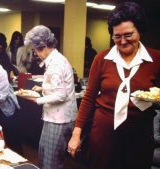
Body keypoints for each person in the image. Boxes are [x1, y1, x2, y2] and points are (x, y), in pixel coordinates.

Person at [67, 2, 160, 169]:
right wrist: (76, 134)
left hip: (138, 137)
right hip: (102, 137)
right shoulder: (102, 59)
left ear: (140, 30)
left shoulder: (156, 59)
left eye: (128, 35)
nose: (123, 41)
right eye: (117, 36)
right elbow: (88, 98)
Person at [23, 25, 77, 169]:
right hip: (54, 117)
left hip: (59, 119)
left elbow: (61, 94)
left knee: (51, 162)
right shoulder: (55, 60)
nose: (35, 53)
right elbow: (58, 86)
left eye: (35, 49)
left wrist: (37, 99)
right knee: (44, 155)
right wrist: (42, 88)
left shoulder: (57, 63)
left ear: (44, 46)